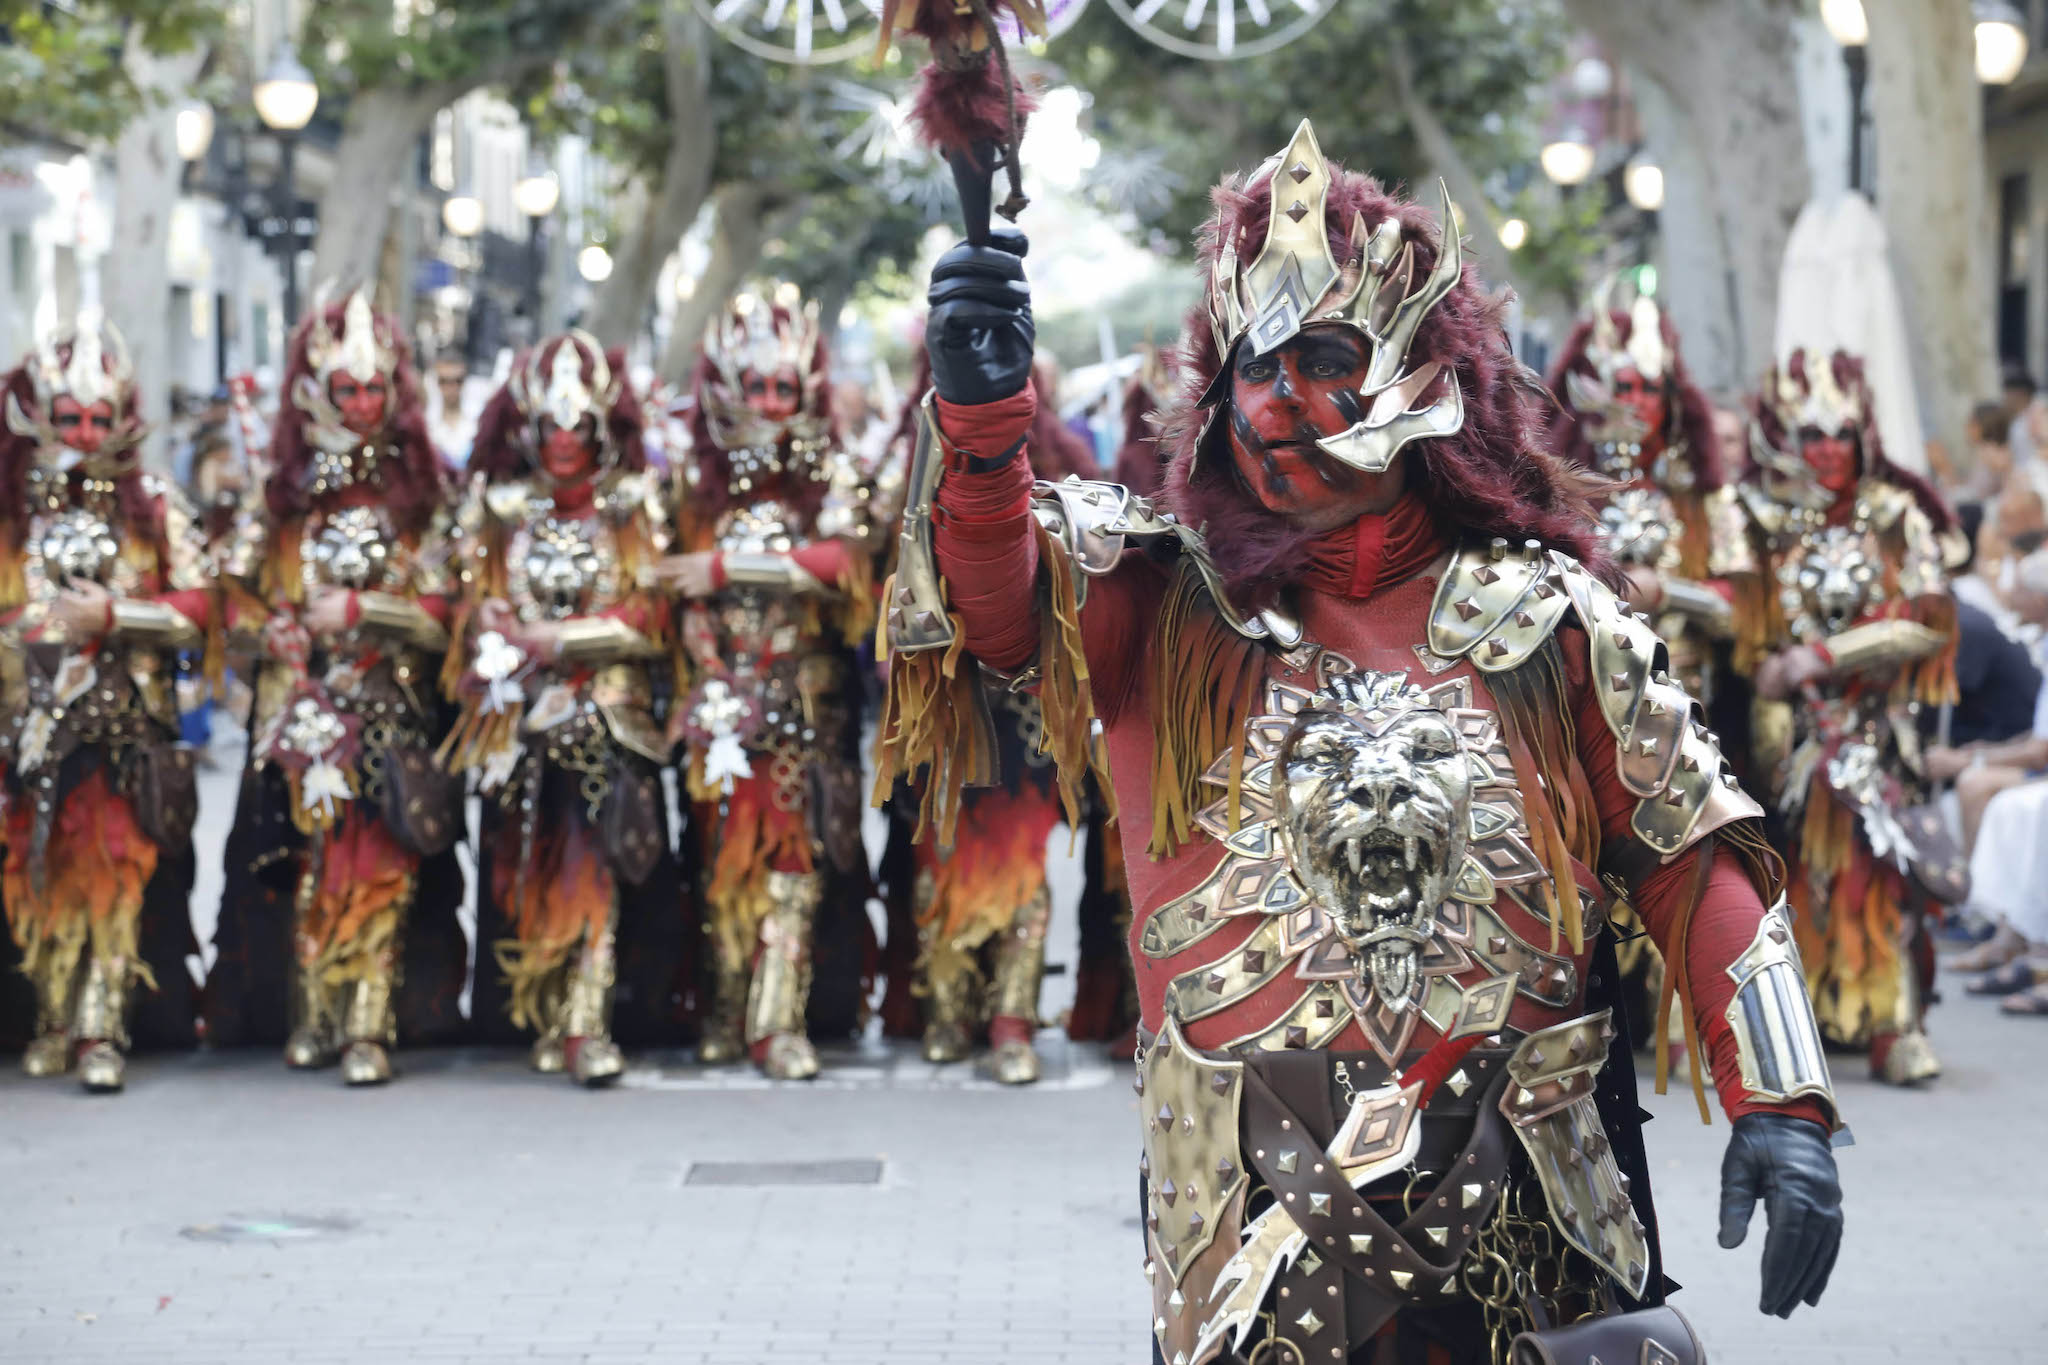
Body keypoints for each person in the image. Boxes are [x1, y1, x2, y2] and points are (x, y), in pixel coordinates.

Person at [882, 120, 1841, 1362]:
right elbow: (990, 603)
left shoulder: (1543, 615)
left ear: (1423, 369)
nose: (1276, 398)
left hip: (1529, 1199)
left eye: (1320, 356)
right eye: (1251, 365)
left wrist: (1784, 1105)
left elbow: (1688, 855)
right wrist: (978, 417)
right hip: (1252, 1211)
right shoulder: (1164, 600)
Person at [205, 287, 467, 1084]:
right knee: (308, 865)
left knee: (381, 867)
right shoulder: (282, 496)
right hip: (302, 718)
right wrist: (272, 627)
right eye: (345, 389)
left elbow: (446, 614)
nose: (359, 404)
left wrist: (367, 610)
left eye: (372, 388)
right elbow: (231, 599)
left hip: (393, 711)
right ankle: (314, 1012)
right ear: (318, 393)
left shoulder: (425, 495)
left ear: (395, 392)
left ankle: (368, 1024)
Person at [1711, 347, 1958, 1086]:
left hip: (1873, 724)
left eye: (1840, 434)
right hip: (1780, 731)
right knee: (1778, 875)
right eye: (1810, 434)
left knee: (1877, 871)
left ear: (1863, 437)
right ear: (1780, 439)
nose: (1826, 450)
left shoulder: (1895, 514)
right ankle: (1795, 1025)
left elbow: (1931, 618)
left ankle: (1894, 1021)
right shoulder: (1747, 514)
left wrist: (1824, 654)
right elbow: (1731, 611)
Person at [444, 331, 682, 1085]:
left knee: (595, 867)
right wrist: (486, 623)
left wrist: (562, 637)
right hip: (516, 718)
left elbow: (654, 614)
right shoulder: (501, 507)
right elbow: (471, 593)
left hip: (607, 716)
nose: (566, 439)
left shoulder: (633, 504)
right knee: (520, 864)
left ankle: (587, 1021)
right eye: (553, 425)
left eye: (580, 425)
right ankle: (540, 1010)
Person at [660, 288, 879, 1080]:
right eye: (758, 387)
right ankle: (724, 1010)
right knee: (720, 863)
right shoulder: (695, 483)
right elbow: (669, 587)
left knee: (795, 866)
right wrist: (703, 647)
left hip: (804, 710)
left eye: (785, 389)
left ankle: (779, 1022)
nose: (771, 403)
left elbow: (844, 564)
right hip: (721, 704)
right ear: (728, 389)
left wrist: (725, 568)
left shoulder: (832, 469)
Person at [0, 313, 211, 1092]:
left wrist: (114, 618)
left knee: (116, 874)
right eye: (70, 418)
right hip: (30, 730)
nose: (86, 432)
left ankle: (101, 1024)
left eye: (99, 418)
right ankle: (54, 1015)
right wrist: (34, 626)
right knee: (38, 870)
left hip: (126, 727)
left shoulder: (152, 501)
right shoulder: (12, 502)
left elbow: (199, 605)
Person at [428, 353, 477, 471]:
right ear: (437, 383)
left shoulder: (478, 422)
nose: (451, 387)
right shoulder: (427, 426)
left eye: (458, 381)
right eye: (444, 381)